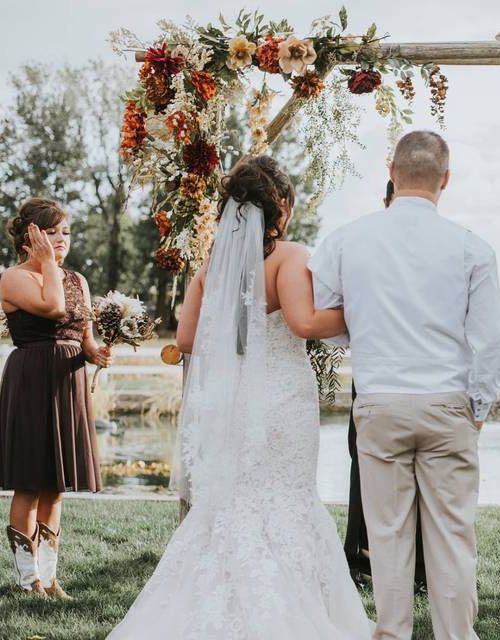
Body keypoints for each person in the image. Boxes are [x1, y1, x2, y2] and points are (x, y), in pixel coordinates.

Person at [108, 156, 371, 639]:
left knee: (235, 503)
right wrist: (366, 315)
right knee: (288, 499)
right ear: (283, 207)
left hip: (234, 405)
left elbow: (186, 339)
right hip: (284, 402)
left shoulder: (213, 266)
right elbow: (304, 323)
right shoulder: (289, 256)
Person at [309, 131, 500, 639]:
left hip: (379, 402)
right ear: (446, 180)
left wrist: (369, 326)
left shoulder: (344, 240)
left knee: (388, 536)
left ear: (392, 173)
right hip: (447, 404)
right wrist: (478, 407)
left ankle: (393, 634)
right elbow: (492, 341)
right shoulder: (472, 248)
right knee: (452, 538)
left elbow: (328, 317)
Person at [0, 197, 113, 600]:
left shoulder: (78, 279)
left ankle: (49, 579)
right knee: (29, 482)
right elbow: (53, 306)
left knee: (57, 485)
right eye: (51, 232)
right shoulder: (14, 278)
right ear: (30, 237)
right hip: (31, 378)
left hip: (67, 379)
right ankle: (28, 583)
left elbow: (83, 336)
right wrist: (48, 263)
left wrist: (96, 353)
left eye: (65, 232)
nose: (61, 240)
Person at [344, 179, 428, 591]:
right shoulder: (365, 247)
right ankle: (359, 560)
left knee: (424, 478)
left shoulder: (437, 250)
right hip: (373, 379)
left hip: (424, 380)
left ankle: (420, 570)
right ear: (386, 202)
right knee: (363, 469)